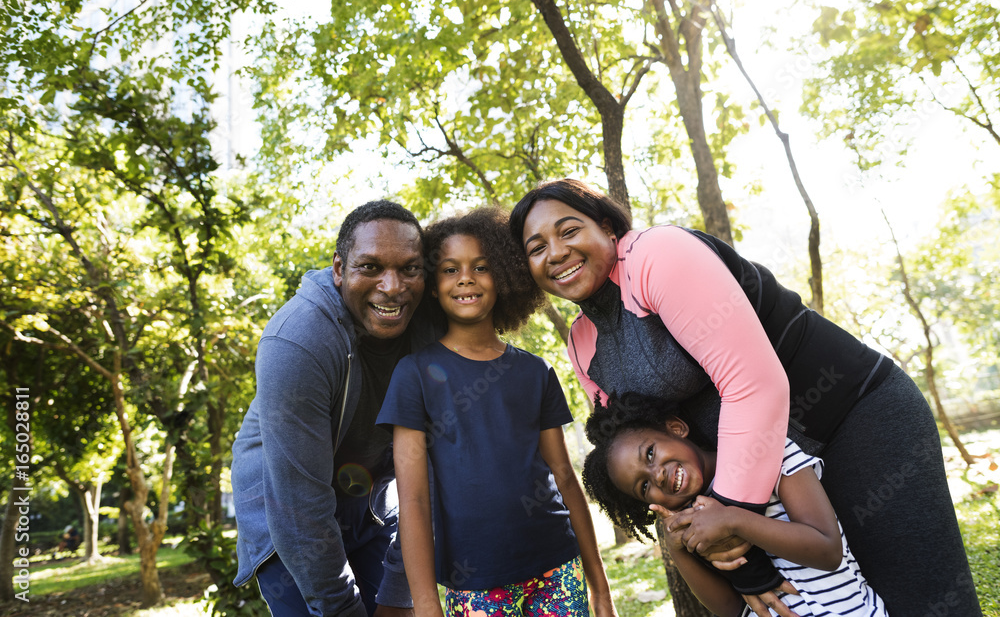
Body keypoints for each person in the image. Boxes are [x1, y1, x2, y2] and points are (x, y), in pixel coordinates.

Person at [510, 178, 982, 617]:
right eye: (536, 248)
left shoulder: (659, 254)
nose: (556, 252)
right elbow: (635, 443)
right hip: (764, 479)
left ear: (608, 228)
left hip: (853, 421)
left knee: (927, 602)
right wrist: (733, 554)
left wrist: (732, 527)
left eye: (569, 230)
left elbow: (754, 385)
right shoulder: (582, 343)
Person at [376, 206, 617, 617]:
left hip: (558, 568)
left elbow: (564, 477)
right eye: (450, 269)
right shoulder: (413, 375)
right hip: (473, 587)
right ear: (433, 287)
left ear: (503, 277)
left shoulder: (535, 371)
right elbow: (412, 500)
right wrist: (426, 605)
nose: (466, 277)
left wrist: (600, 587)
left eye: (481, 266)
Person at [231, 200, 443, 617]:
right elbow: (299, 508)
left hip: (371, 506)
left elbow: (435, 475)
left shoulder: (435, 329)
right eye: (371, 267)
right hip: (285, 516)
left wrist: (398, 597)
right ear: (339, 270)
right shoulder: (297, 341)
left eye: (410, 268)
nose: (393, 286)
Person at [583, 392, 887, 617]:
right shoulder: (694, 523)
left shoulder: (767, 453)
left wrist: (732, 520)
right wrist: (678, 550)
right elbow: (732, 611)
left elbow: (828, 551)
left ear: (676, 428)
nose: (657, 475)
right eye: (644, 486)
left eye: (650, 453)